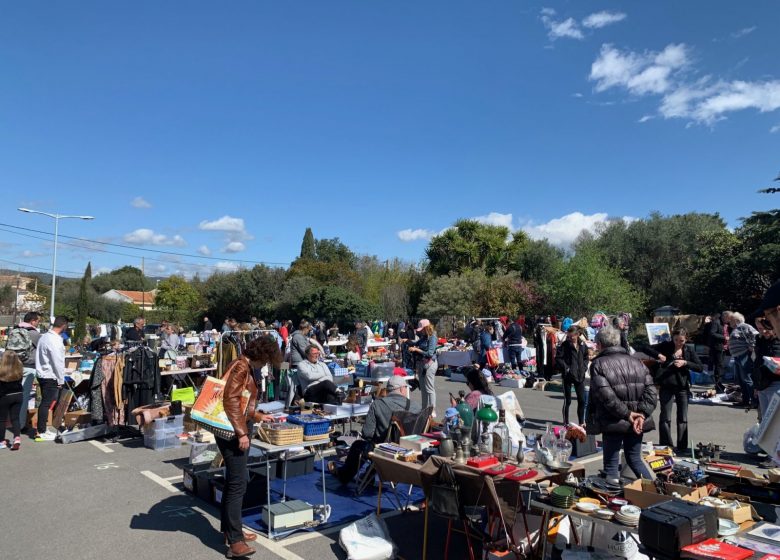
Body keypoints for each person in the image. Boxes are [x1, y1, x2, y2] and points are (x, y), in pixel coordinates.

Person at [220, 336, 281, 558]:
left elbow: (241, 402)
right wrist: (242, 432)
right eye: (266, 360)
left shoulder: (241, 364)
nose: (265, 365)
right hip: (233, 431)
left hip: (235, 427)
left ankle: (231, 531)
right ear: (261, 355)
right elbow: (230, 401)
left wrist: (257, 416)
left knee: (233, 483)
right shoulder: (241, 367)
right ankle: (235, 541)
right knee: (237, 484)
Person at [586, 325, 657, 483]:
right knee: (634, 459)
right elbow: (652, 393)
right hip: (635, 419)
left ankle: (614, 500)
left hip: (614, 421)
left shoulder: (598, 364)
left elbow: (606, 397)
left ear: (599, 344)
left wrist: (629, 414)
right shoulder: (638, 362)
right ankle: (655, 490)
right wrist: (641, 414)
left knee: (611, 467)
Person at [328, 375, 418, 484]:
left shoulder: (377, 404)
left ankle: (344, 475)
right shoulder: (415, 406)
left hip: (385, 451)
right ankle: (368, 474)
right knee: (373, 445)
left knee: (359, 445)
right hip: (411, 451)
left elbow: (367, 434)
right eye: (405, 388)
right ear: (401, 389)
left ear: (389, 390)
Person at [641, 328, 703, 453]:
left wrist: (685, 362)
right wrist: (658, 355)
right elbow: (644, 347)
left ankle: (682, 445)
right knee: (665, 416)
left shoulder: (688, 350)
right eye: (676, 340)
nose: (678, 343)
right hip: (666, 385)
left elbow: (699, 367)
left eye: (681, 341)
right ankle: (666, 444)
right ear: (672, 338)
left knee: (682, 417)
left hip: (682, 386)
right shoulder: (666, 346)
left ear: (686, 339)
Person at [35, 316, 68, 441]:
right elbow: (57, 361)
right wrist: (61, 379)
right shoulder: (54, 339)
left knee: (45, 402)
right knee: (46, 403)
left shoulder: (44, 336)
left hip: (43, 374)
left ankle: (42, 429)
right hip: (50, 375)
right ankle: (41, 430)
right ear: (63, 326)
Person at [7, 311, 41, 432]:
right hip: (28, 367)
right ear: (32, 321)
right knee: (23, 396)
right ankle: (20, 425)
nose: (38, 323)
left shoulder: (14, 330)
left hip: (13, 366)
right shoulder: (34, 333)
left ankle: (8, 421)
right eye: (38, 321)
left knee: (11, 394)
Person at [556, 325, 590, 426]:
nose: (570, 338)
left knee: (582, 400)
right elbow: (558, 358)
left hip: (579, 376)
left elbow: (586, 357)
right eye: (569, 336)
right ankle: (565, 422)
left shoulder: (583, 345)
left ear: (578, 335)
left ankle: (581, 423)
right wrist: (566, 368)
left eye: (572, 337)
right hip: (568, 376)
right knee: (568, 400)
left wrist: (584, 368)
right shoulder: (565, 345)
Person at [728, 312, 759, 409]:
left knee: (747, 379)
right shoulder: (736, 328)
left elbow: (755, 335)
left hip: (744, 355)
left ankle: (754, 402)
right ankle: (745, 400)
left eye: (731, 320)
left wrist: (752, 346)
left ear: (737, 320)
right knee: (741, 380)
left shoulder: (744, 326)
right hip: (737, 356)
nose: (729, 322)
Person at [409, 319, 438, 415]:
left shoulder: (432, 337)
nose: (420, 331)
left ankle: (432, 409)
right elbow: (415, 344)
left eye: (422, 329)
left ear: (426, 327)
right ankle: (424, 409)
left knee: (429, 388)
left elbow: (430, 353)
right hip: (421, 364)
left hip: (430, 364)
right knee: (423, 388)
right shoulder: (423, 337)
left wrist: (417, 350)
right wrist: (407, 342)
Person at [753, 318, 780, 419]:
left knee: (773, 420)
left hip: (776, 383)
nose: (763, 331)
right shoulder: (760, 340)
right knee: (764, 419)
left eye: (766, 328)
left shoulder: (777, 340)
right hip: (762, 384)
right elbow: (757, 362)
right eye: (759, 328)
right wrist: (756, 385)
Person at [0, 350, 24, 450]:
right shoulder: (19, 369)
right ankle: (17, 438)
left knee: (2, 419)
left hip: (5, 396)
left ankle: (2, 441)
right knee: (15, 418)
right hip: (18, 395)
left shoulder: (1, 370)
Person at [706, 312, 728, 393]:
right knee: (719, 366)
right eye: (728, 318)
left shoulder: (725, 324)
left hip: (723, 347)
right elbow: (712, 333)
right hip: (717, 347)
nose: (729, 320)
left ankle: (719, 384)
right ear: (724, 317)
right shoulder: (716, 323)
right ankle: (718, 385)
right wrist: (724, 337)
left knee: (720, 366)